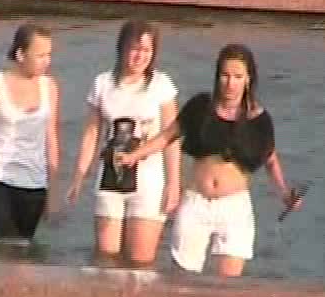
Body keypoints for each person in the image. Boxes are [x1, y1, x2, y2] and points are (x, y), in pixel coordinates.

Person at [118, 44, 301, 277]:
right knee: (183, 279)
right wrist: (134, 155)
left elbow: (271, 160)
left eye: (237, 77)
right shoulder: (201, 106)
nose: (230, 83)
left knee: (228, 285)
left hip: (234, 207)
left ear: (248, 79)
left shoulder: (259, 119)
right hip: (196, 202)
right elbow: (166, 136)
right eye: (225, 75)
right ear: (217, 76)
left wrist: (284, 193)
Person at [66, 20, 180, 267]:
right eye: (135, 49)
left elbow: (171, 138)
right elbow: (91, 134)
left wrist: (173, 183)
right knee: (106, 258)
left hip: (148, 180)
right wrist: (79, 176)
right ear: (122, 48)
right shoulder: (103, 83)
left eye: (147, 50)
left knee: (140, 261)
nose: (140, 56)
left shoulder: (161, 85)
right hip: (110, 178)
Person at [0, 23, 60, 244]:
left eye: (49, 55)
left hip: (34, 181)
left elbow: (51, 139)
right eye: (41, 55)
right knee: (6, 243)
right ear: (21, 55)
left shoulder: (50, 87)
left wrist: (52, 193)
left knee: (23, 247)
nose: (47, 61)